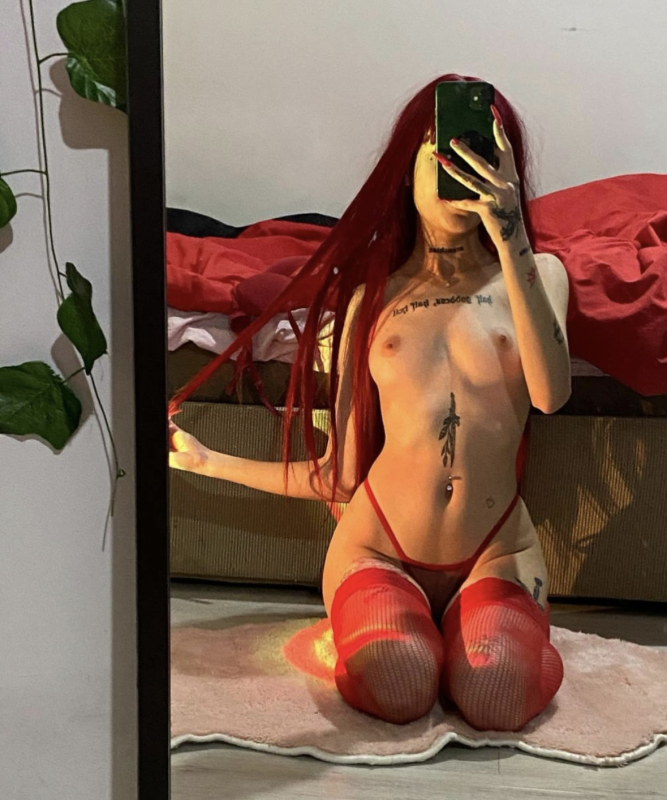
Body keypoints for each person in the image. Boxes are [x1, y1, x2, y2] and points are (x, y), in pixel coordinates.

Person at [169, 74, 569, 731]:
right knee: (402, 684)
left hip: (495, 550)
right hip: (378, 547)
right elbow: (341, 474)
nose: (461, 166)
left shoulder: (537, 275)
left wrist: (510, 235)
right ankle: (411, 637)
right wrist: (208, 461)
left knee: (495, 692)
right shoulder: (371, 299)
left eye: (481, 150)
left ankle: (468, 641)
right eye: (442, 149)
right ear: (407, 167)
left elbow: (551, 395)